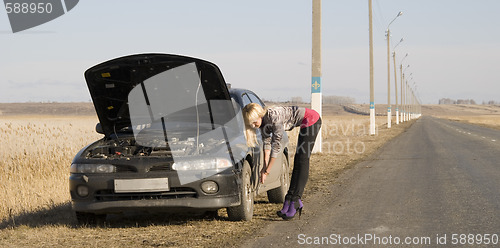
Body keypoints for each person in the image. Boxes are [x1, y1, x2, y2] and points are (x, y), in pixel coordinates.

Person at [242, 103, 321, 220]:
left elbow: (276, 147)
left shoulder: (274, 117)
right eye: (251, 124)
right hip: (305, 122)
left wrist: (268, 171)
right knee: (298, 161)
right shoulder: (263, 125)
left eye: (254, 122)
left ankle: (296, 200)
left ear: (259, 115)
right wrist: (264, 167)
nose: (254, 126)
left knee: (302, 160)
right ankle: (288, 200)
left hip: (311, 119)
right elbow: (267, 145)